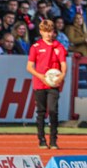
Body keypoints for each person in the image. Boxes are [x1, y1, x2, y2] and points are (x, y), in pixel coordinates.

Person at [26, 19, 67, 150]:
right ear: (41, 32)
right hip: (39, 83)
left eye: (50, 31)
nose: (48, 34)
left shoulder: (58, 46)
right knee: (41, 112)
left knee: (53, 111)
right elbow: (29, 67)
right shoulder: (36, 47)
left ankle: (53, 140)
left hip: (53, 84)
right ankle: (41, 139)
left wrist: (62, 75)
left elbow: (63, 64)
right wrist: (40, 76)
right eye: (46, 31)